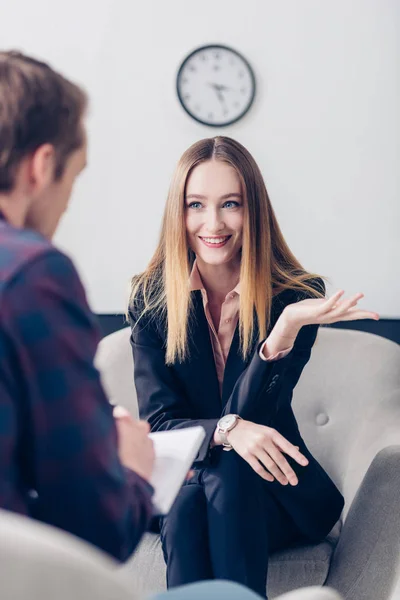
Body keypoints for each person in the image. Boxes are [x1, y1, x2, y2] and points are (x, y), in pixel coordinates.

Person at [0, 49, 276, 600]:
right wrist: (130, 462)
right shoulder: (33, 276)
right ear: (40, 166)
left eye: (231, 204)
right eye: (73, 178)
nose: (66, 203)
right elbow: (98, 525)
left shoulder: (291, 295)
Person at [128, 136, 379, 598]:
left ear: (254, 210)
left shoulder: (294, 298)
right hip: (191, 486)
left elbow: (258, 420)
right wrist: (227, 429)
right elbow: (161, 424)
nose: (213, 223)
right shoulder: (151, 301)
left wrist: (280, 335)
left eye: (231, 204)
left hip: (275, 492)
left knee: (225, 477)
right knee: (187, 504)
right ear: (178, 214)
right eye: (196, 205)